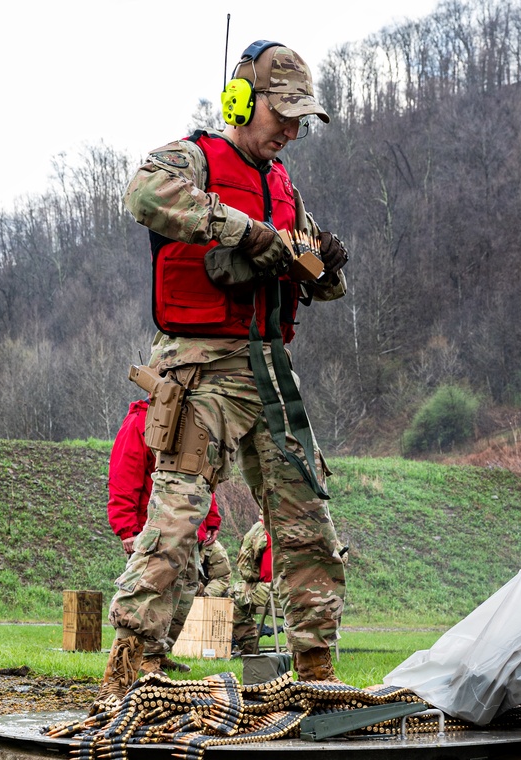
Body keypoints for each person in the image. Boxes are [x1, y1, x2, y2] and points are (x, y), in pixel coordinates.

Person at [99, 41, 349, 699]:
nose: (292, 130)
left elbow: (323, 288)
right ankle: (130, 668)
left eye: (300, 118)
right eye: (283, 114)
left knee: (307, 523)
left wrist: (324, 261)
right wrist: (239, 230)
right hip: (200, 370)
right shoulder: (194, 158)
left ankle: (317, 671)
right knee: (175, 522)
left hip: (271, 370)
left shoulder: (285, 186)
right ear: (243, 101)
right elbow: (144, 193)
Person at [108, 397, 227, 672]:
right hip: (157, 526)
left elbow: (201, 477)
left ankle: (158, 652)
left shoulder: (190, 421)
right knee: (155, 588)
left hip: (187, 528)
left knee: (184, 591)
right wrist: (127, 528)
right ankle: (144, 656)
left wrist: (210, 520)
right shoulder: (140, 421)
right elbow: (123, 477)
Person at [231, 515, 278, 656]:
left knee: (235, 595)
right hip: (316, 597)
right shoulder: (314, 520)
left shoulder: (262, 528)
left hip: (279, 592)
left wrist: (258, 577)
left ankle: (250, 650)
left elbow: (245, 568)